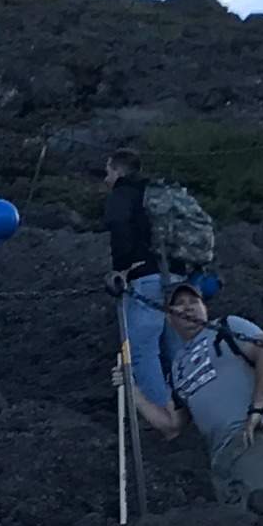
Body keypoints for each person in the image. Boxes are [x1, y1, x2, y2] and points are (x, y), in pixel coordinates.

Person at [127, 280, 263, 514]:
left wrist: (257, 409)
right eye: (179, 304)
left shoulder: (226, 328)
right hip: (221, 460)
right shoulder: (177, 366)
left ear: (205, 308)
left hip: (255, 438)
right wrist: (132, 392)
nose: (188, 307)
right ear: (168, 318)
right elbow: (172, 426)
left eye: (194, 301)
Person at [105, 148, 185, 413]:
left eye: (108, 172)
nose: (106, 179)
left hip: (145, 277)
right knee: (178, 347)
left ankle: (161, 413)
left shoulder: (123, 194)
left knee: (141, 350)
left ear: (118, 170)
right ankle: (189, 408)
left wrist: (121, 268)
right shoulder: (157, 194)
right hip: (178, 276)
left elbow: (119, 226)